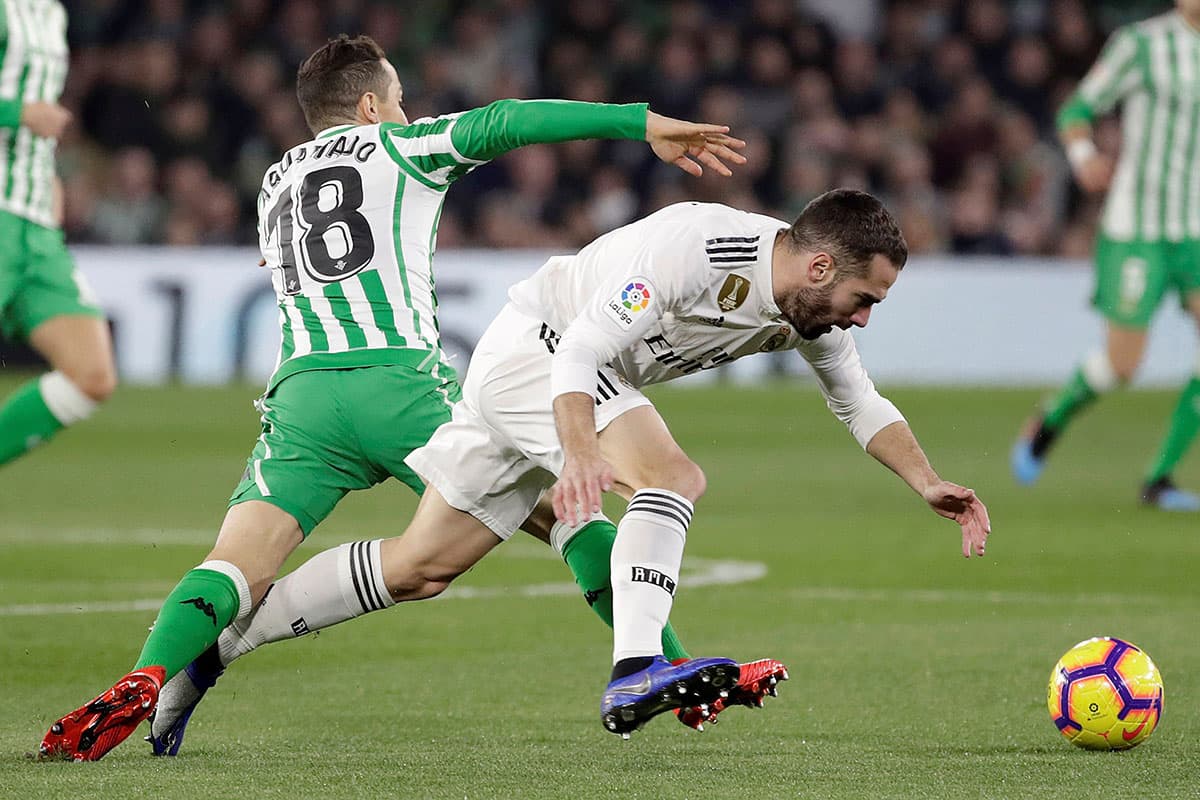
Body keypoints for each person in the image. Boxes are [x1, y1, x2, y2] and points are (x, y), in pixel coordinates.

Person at [38, 33, 754, 761]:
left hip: (303, 398)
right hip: (404, 389)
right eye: (400, 99)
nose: (407, 109)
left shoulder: (276, 178)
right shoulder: (402, 145)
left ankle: (150, 675)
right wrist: (639, 121)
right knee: (568, 510)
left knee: (236, 562)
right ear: (372, 105)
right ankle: (661, 661)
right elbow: (509, 119)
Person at [147, 189, 991, 741]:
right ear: (819, 266)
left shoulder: (817, 314)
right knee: (673, 477)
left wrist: (928, 482)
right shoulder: (697, 250)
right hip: (539, 355)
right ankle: (635, 672)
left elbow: (861, 403)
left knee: (419, 568)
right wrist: (583, 453)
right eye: (864, 298)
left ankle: (207, 659)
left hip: (564, 376)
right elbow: (584, 344)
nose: (864, 319)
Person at [1012, 1, 1200, 510]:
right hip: (1137, 228)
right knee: (1123, 363)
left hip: (1196, 231)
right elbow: (1077, 109)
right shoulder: (1141, 45)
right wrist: (1084, 156)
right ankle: (1050, 420)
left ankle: (1158, 480)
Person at [0, 0, 117, 469]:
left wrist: (46, 177)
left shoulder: (51, 13)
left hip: (34, 224)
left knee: (91, 375)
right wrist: (16, 113)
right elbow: (28, 111)